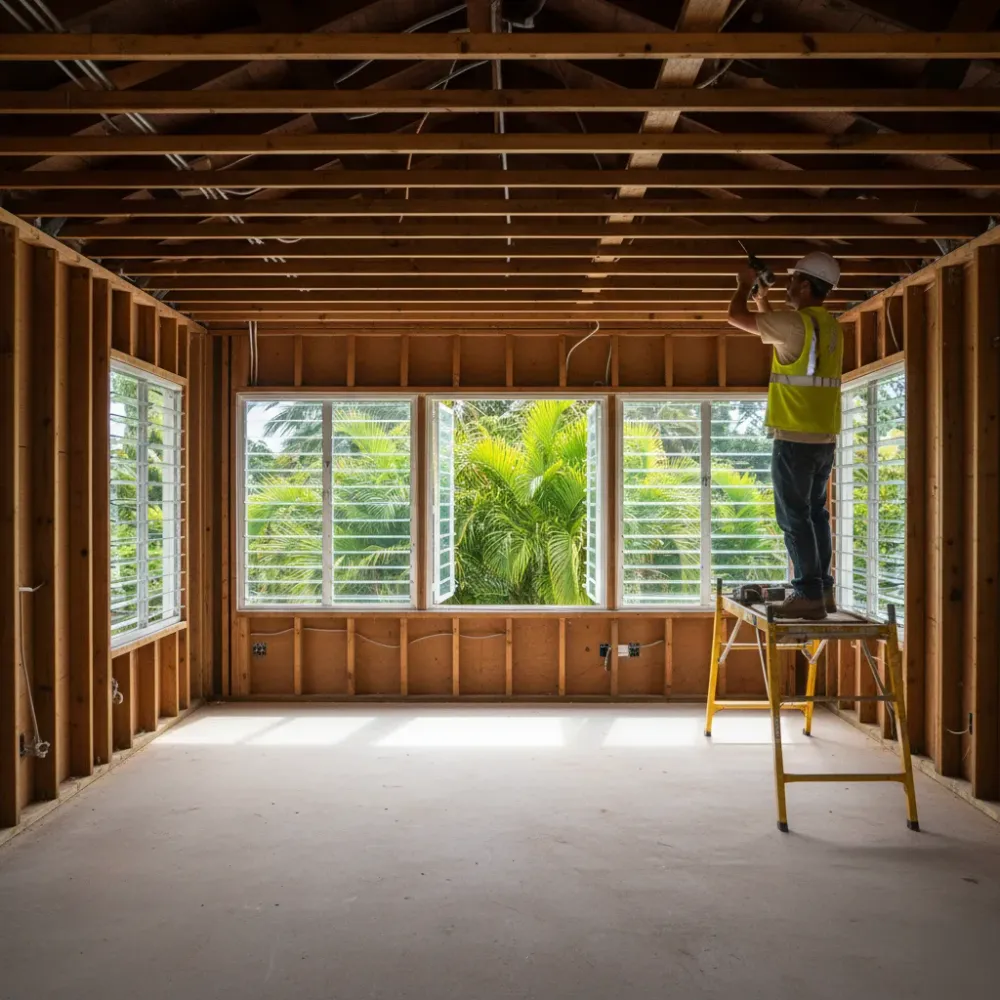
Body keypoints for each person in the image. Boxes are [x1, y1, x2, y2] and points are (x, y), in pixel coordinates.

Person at [726, 252, 844, 620]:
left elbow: (735, 316)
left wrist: (745, 285)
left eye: (794, 281)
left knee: (794, 517)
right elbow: (782, 330)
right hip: (823, 439)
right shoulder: (828, 327)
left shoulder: (795, 325)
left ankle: (807, 594)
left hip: (794, 439)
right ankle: (822, 592)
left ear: (806, 286)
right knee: (815, 514)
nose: (789, 286)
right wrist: (763, 297)